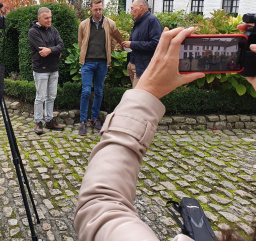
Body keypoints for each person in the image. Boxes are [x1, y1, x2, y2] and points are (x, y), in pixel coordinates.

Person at [74, 25, 256, 241]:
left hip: (134, 66)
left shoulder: (144, 22)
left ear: (140, 7)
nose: (132, 10)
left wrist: (146, 91)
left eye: (134, 8)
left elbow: (99, 207)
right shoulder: (102, 23)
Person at [78, 0, 120, 136]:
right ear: (91, 9)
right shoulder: (84, 25)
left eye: (100, 9)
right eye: (96, 9)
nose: (98, 12)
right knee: (85, 91)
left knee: (99, 91)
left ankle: (94, 118)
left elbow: (114, 40)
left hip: (102, 63)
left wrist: (108, 52)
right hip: (88, 63)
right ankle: (83, 121)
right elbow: (81, 42)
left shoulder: (110, 24)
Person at [28, 7, 65, 135]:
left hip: (54, 69)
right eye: (46, 18)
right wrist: (55, 51)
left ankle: (49, 120)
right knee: (41, 97)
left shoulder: (53, 30)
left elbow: (61, 46)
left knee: (52, 96)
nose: (49, 20)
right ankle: (38, 121)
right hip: (41, 70)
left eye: (50, 17)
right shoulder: (33, 32)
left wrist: (51, 50)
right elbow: (41, 51)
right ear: (39, 19)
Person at [121, 0, 162, 88]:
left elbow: (156, 44)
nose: (131, 12)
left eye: (132, 8)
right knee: (136, 97)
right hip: (133, 64)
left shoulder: (152, 21)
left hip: (142, 67)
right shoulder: (138, 21)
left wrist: (132, 44)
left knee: (138, 98)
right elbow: (136, 43)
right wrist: (125, 46)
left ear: (141, 7)